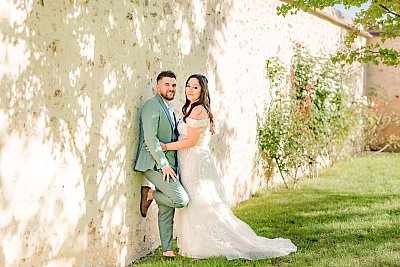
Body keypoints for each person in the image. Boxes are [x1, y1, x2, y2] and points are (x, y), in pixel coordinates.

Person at [158, 74, 297, 260]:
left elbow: (191, 141)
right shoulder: (191, 107)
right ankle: (192, 242)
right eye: (188, 86)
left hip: (195, 161)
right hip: (187, 161)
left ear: (202, 91)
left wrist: (166, 146)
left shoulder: (199, 110)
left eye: (195, 87)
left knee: (199, 200)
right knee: (193, 201)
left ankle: (205, 242)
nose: (190, 90)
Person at [133, 70, 189, 258]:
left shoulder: (170, 108)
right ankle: (149, 193)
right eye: (166, 84)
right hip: (153, 164)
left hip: (169, 164)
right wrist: (164, 163)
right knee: (180, 200)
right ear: (158, 87)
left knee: (167, 209)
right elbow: (150, 138)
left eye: (173, 85)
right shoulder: (151, 105)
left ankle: (167, 250)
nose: (171, 88)